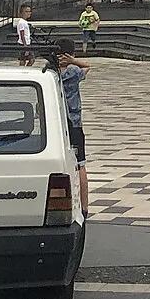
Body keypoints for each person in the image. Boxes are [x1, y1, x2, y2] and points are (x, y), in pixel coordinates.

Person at [55, 37, 90, 217]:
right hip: (74, 123)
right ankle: (84, 208)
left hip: (55, 124)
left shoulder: (50, 73)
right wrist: (73, 61)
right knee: (80, 165)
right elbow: (87, 66)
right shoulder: (74, 71)